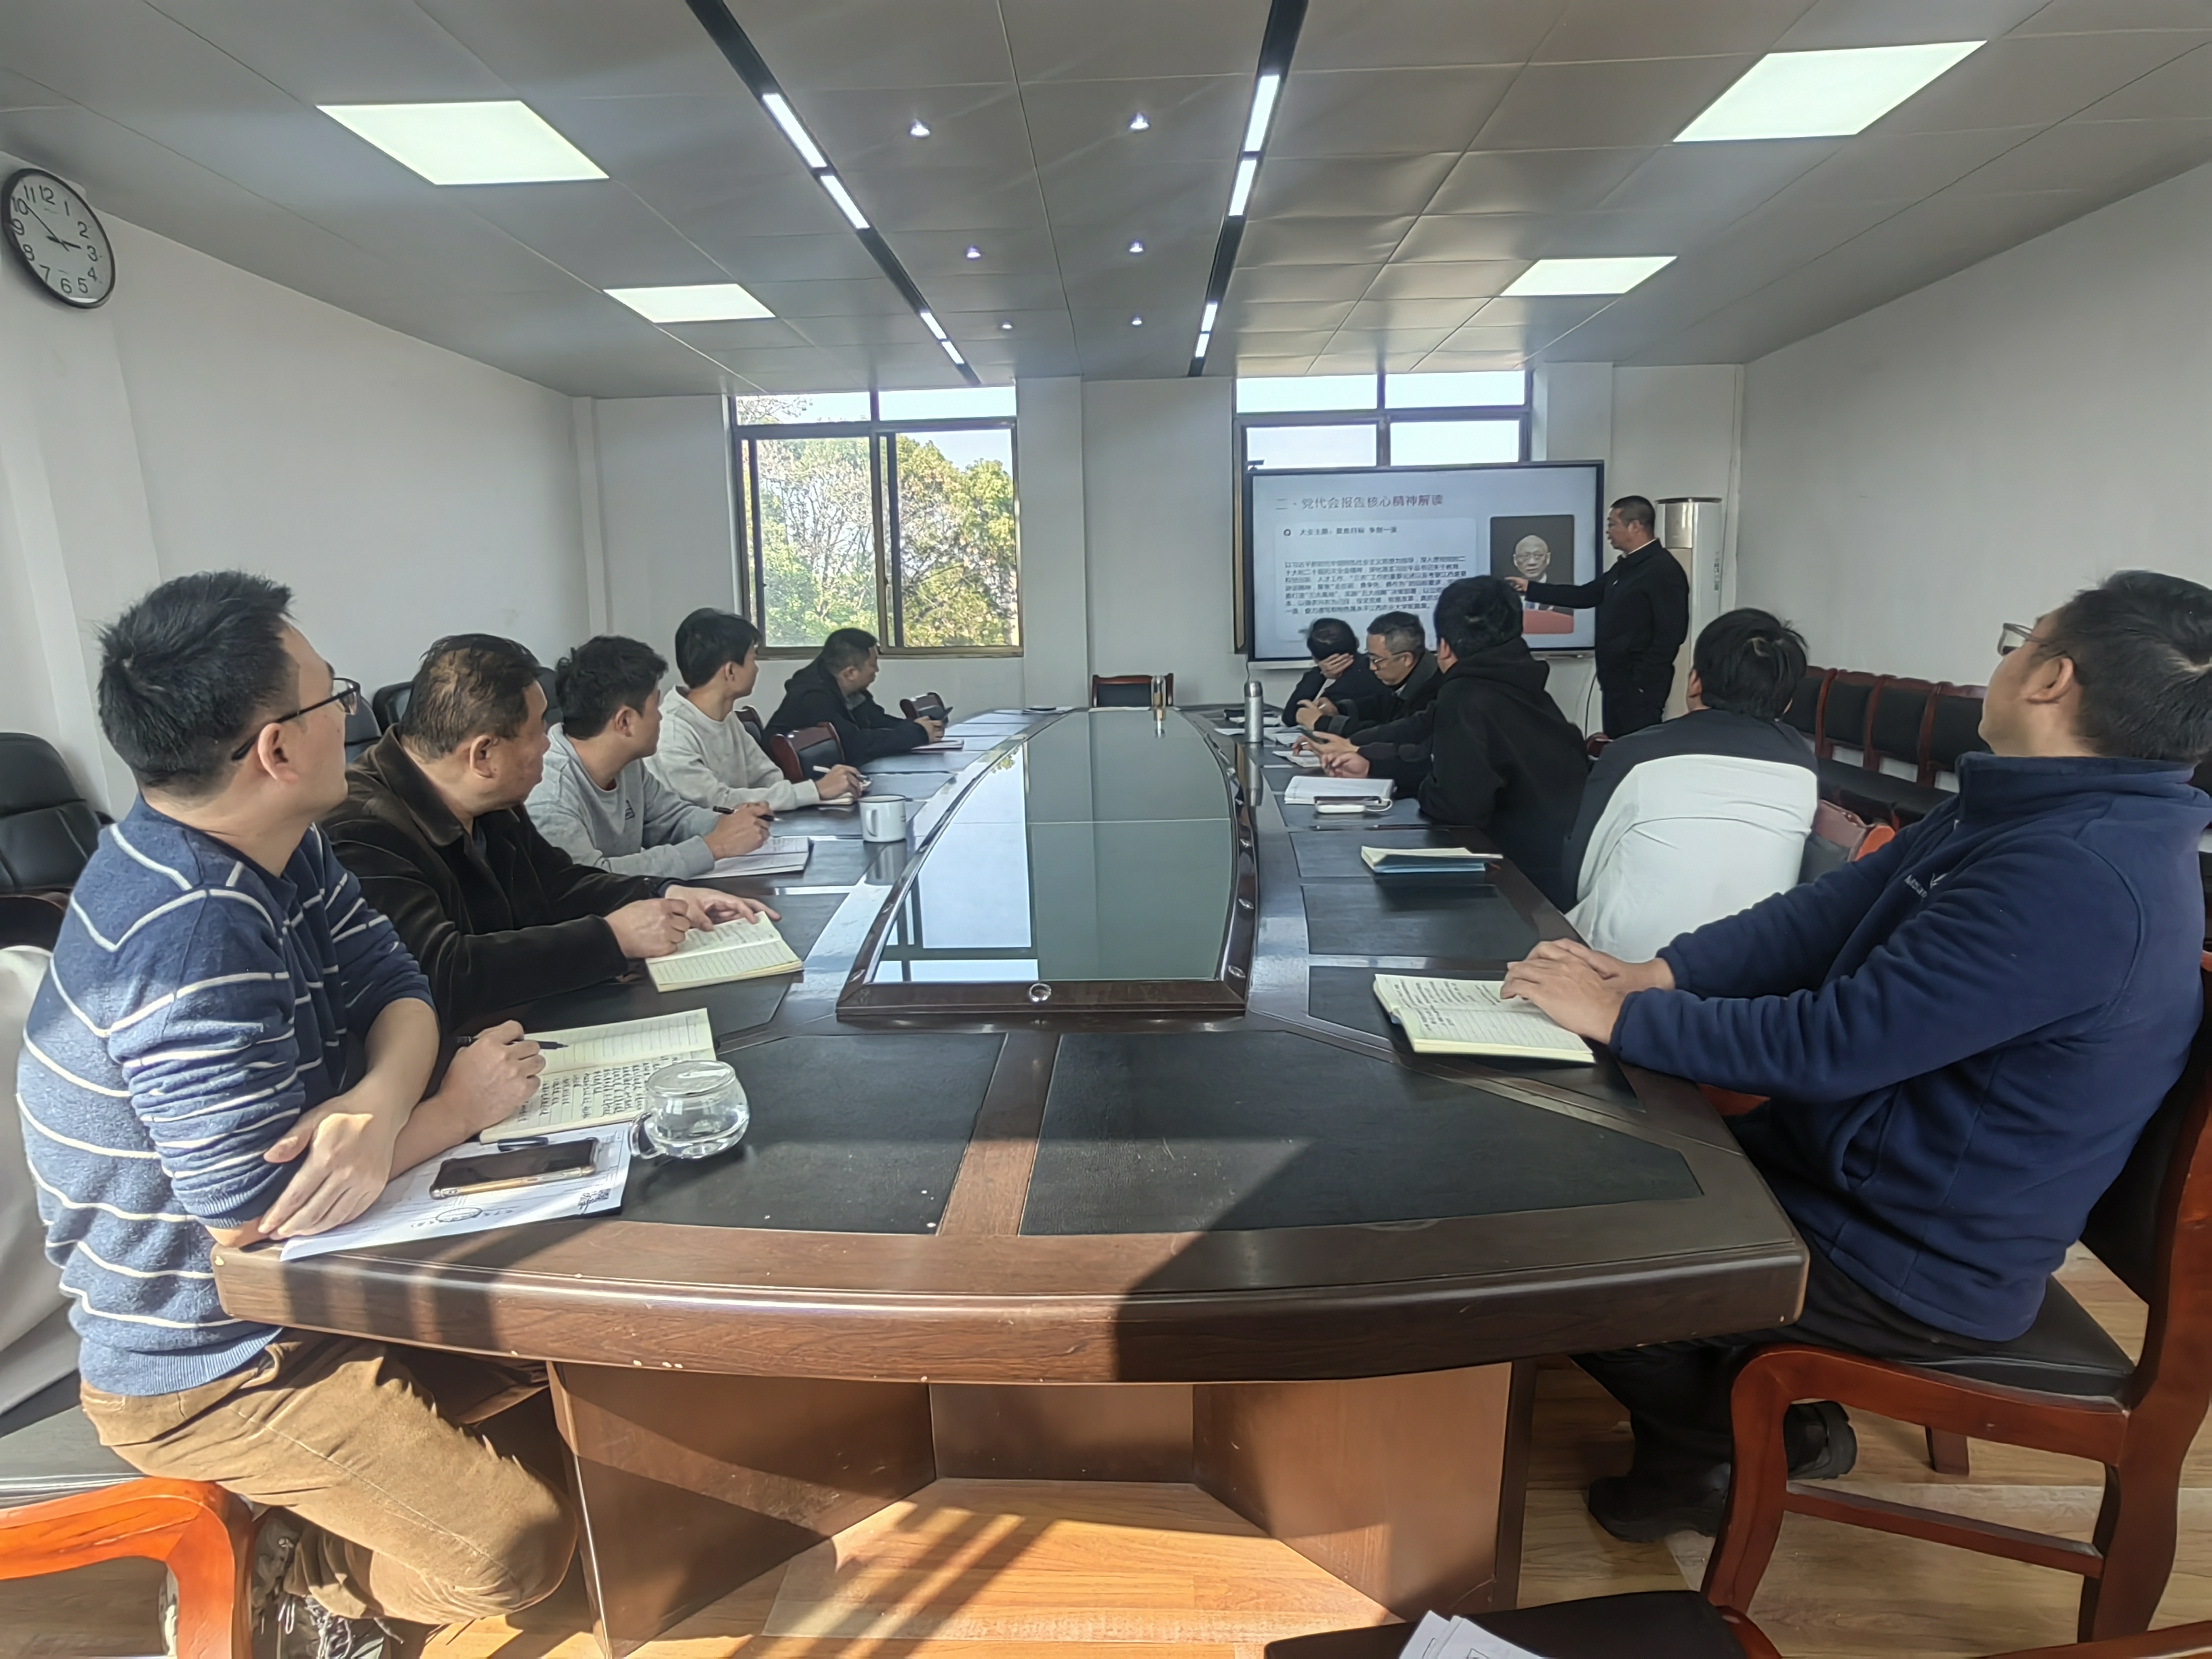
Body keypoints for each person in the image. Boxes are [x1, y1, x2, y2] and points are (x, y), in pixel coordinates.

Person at [1501, 571, 2212, 1543]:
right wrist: (1657, 974)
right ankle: (1705, 1449)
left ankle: (1757, 1441)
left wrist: (1623, 1019)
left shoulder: (2077, 876)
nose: (2006, 660)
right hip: (1858, 1181)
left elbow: (1832, 1043)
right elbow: (1822, 914)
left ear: (2052, 678)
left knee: (1562, 1259)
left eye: (2022, 638)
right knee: (1587, 1165)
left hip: (1908, 1255)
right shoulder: (2032, 812)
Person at [21, 573, 574, 1655]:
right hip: (217, 1361)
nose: (354, 718)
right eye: (336, 698)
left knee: (570, 1352)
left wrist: (376, 1104)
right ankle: (305, 1576)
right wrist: (450, 1109)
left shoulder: (281, 841)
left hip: (327, 1277)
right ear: (277, 749)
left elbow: (400, 985)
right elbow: (261, 1213)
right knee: (513, 1550)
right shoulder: (186, 935)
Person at [328, 634, 769, 1029]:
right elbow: (440, 972)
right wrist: (611, 939)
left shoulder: (490, 799)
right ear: (483, 756)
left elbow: (556, 883)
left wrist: (662, 893)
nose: (548, 742)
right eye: (538, 729)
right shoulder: (362, 829)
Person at [1562, 609, 1820, 960]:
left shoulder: (1632, 757)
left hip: (1621, 968)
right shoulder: (1803, 766)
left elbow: (1579, 878)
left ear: (1695, 681)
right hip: (1749, 971)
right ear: (1787, 703)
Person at [1326, 577, 1589, 907]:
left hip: (1518, 885)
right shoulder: (1521, 683)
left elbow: (1454, 806)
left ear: (1445, 646)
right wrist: (1370, 759)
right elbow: (1427, 732)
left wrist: (1425, 782)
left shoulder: (1466, 694)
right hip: (1563, 868)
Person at [527, 635, 773, 879]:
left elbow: (671, 818)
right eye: (655, 706)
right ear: (625, 722)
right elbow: (590, 879)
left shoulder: (627, 765)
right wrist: (714, 847)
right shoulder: (551, 795)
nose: (661, 717)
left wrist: (728, 823)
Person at [652, 609, 867, 813]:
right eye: (753, 659)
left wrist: (817, 793)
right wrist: (815, 790)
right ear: (730, 671)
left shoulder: (724, 717)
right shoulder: (672, 734)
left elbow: (767, 776)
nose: (756, 668)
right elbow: (718, 802)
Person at [1510, 495, 1689, 737]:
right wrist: (1531, 588)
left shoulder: (1662, 569)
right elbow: (1586, 595)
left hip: (1638, 686)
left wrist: (1643, 680)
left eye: (1612, 524)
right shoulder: (1625, 567)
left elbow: (1671, 633)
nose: (1608, 532)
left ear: (1635, 526)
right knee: (1615, 744)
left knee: (1635, 746)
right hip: (1615, 680)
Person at [767, 628, 942, 761]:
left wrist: (916, 727)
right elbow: (853, 744)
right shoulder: (812, 697)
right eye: (873, 664)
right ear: (850, 673)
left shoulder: (848, 689)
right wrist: (916, 733)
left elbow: (877, 721)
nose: (877, 670)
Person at [1307, 612, 1441, 739]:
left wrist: (1324, 723)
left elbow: (1392, 734)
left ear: (1406, 659)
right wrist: (1339, 709)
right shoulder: (1409, 678)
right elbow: (1381, 705)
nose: (1372, 667)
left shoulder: (1434, 692)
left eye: (1376, 660)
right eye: (1369, 658)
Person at [1283, 617, 1384, 729]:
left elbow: (1291, 717)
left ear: (1315, 658)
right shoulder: (1381, 668)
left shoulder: (1337, 693)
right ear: (1357, 642)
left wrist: (1319, 673)